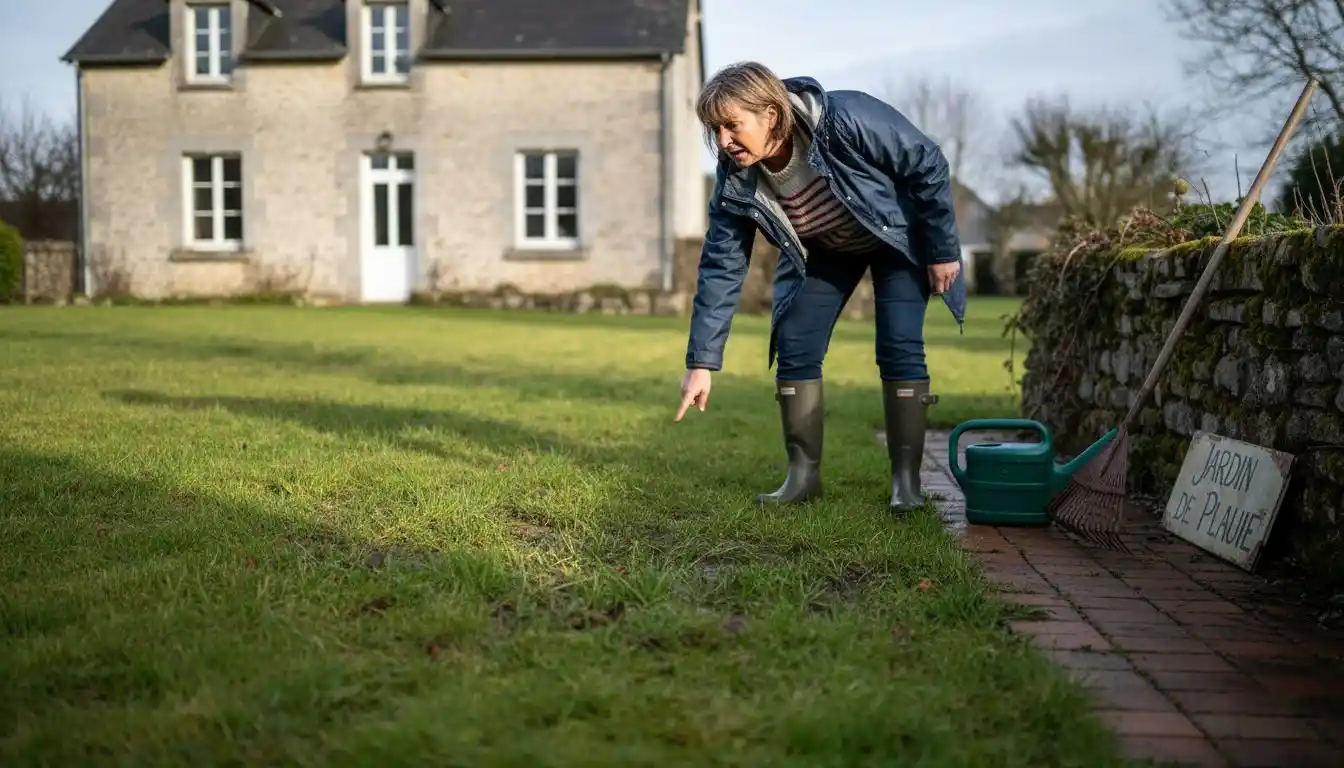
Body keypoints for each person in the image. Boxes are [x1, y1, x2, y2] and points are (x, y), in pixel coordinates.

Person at [673, 61, 966, 516]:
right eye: (716, 130)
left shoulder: (844, 117)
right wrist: (701, 362)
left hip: (895, 239)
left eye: (733, 126)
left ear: (770, 114)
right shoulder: (736, 177)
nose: (725, 142)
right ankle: (802, 477)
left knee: (899, 345)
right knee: (794, 343)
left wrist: (943, 249)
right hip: (827, 251)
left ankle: (906, 483)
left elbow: (926, 160)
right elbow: (721, 264)